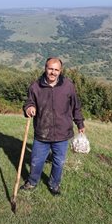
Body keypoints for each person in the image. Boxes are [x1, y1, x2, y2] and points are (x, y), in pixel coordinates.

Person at [21, 57, 85, 195]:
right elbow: (29, 102)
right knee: (36, 160)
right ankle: (32, 182)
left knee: (59, 162)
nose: (53, 72)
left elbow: (76, 106)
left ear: (60, 71)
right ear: (45, 68)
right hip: (42, 132)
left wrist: (80, 123)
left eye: (56, 70)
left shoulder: (68, 85)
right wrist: (29, 108)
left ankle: (54, 184)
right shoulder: (35, 86)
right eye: (50, 69)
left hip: (62, 132)